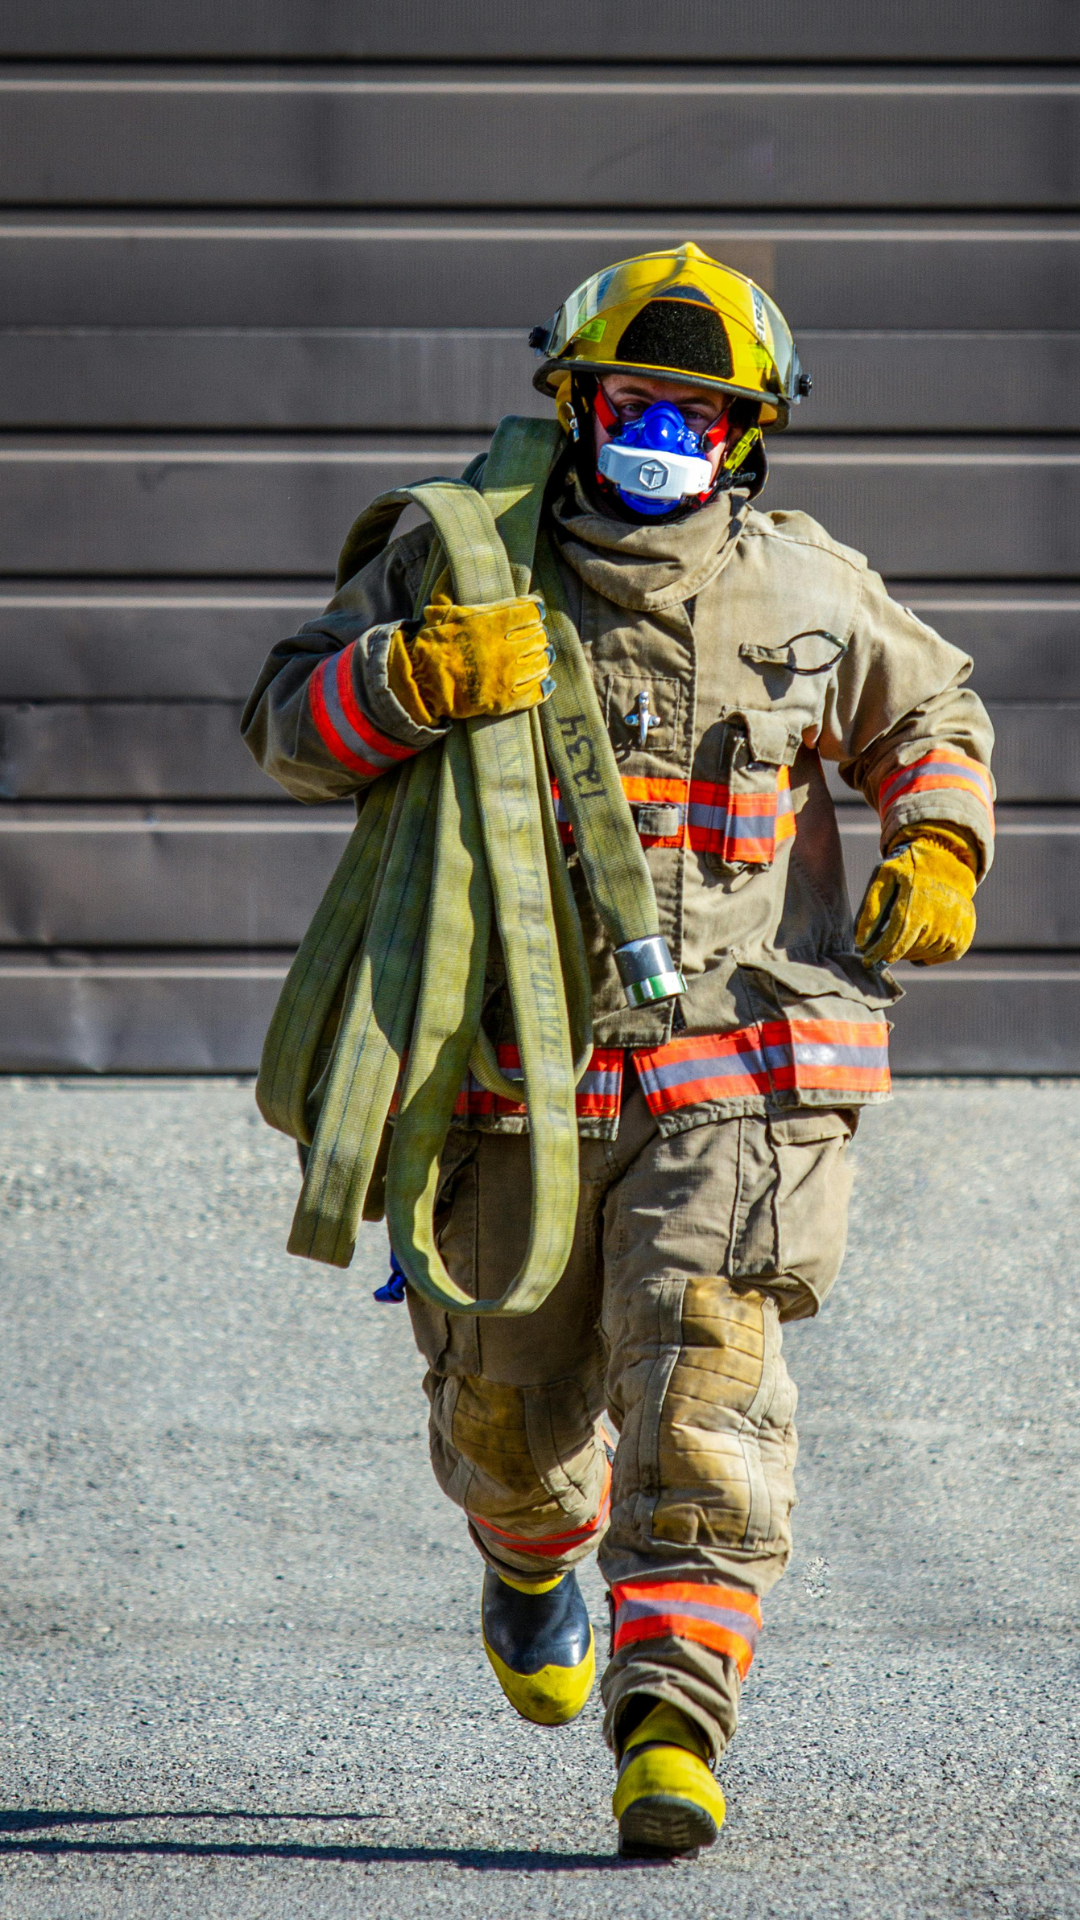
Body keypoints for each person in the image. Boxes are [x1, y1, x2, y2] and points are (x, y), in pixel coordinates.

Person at [242, 244, 994, 1860]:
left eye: (700, 409)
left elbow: (933, 717)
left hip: (728, 1079)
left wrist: (938, 848)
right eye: (634, 397)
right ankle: (533, 1559)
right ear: (574, 405)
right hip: (502, 1081)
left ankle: (671, 1723)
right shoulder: (466, 557)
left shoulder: (806, 585)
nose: (665, 428)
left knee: (707, 1381)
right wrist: (413, 678)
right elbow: (289, 723)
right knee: (510, 1439)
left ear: (750, 435)